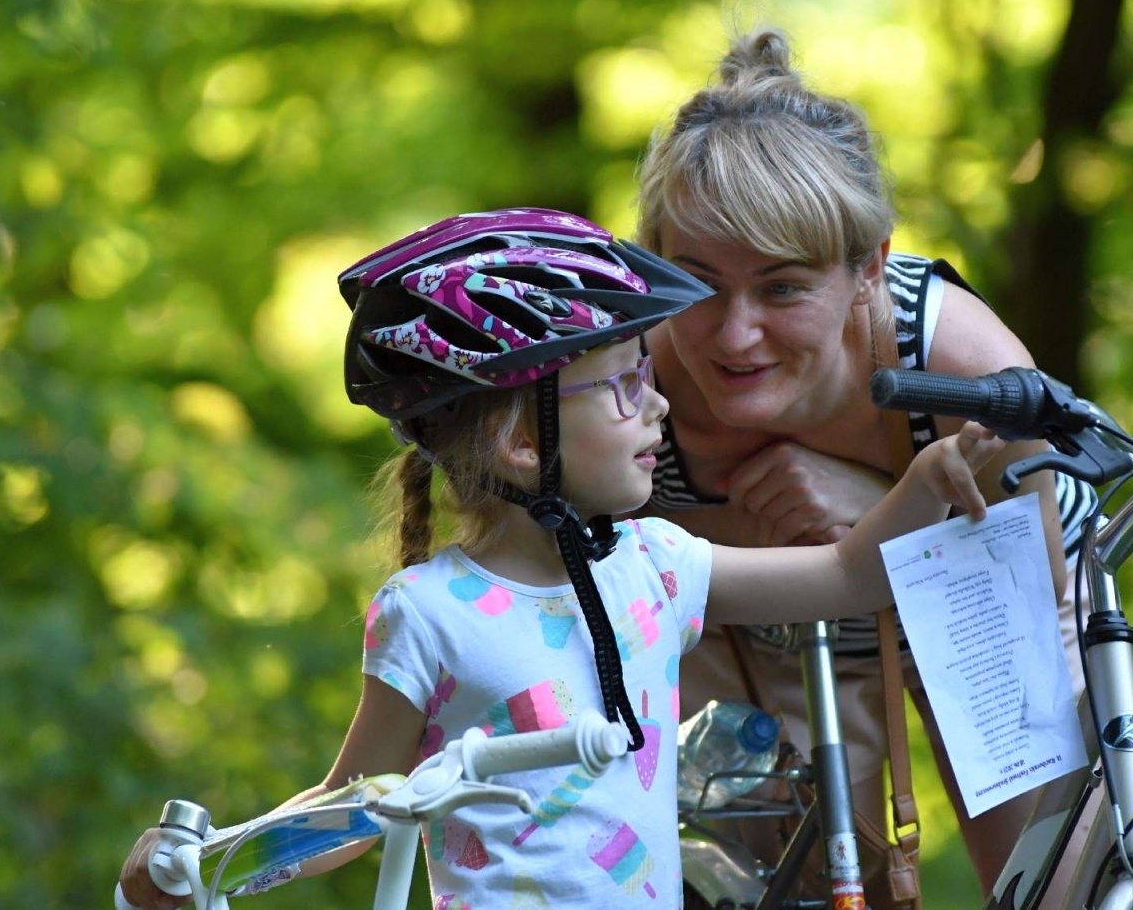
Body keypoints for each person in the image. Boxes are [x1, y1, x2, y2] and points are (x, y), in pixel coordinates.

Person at [115, 208, 1005, 910]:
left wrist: (928, 478)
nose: (657, 407)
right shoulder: (429, 613)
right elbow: (351, 810)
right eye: (622, 387)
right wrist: (210, 861)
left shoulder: (656, 566)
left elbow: (845, 576)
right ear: (519, 444)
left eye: (645, 378)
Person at [636, 26, 1099, 904]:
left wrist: (879, 507)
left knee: (1054, 882)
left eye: (781, 288)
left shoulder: (956, 362)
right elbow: (596, 571)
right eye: (697, 284)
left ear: (867, 270)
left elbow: (1024, 572)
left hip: (984, 594)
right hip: (759, 623)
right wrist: (752, 530)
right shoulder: (628, 378)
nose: (735, 336)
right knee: (788, 888)